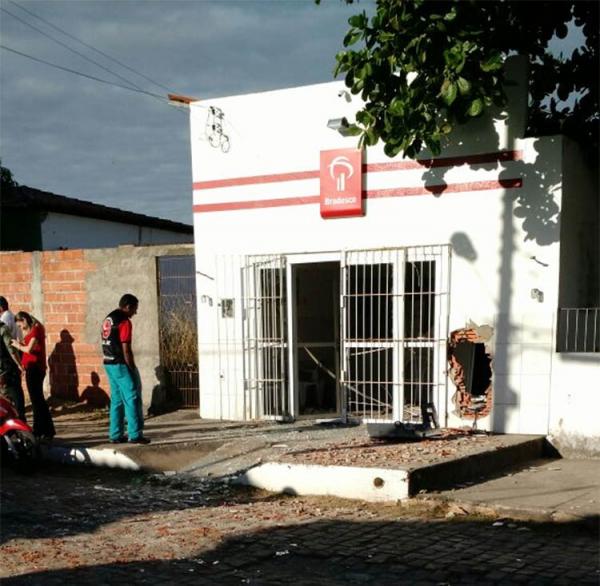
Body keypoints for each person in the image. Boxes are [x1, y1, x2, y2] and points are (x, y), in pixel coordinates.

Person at [101, 294, 149, 444]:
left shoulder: (108, 318)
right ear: (128, 306)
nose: (135, 312)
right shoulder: (124, 322)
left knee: (116, 400)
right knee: (132, 397)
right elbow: (126, 348)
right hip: (120, 364)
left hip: (108, 363)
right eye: (134, 309)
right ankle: (135, 435)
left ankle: (115, 434)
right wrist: (132, 367)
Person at [11, 312, 55, 440]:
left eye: (20, 325)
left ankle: (39, 429)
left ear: (24, 320)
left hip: (35, 369)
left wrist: (17, 345)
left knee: (37, 401)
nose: (20, 328)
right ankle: (46, 430)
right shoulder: (34, 329)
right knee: (38, 400)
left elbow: (29, 349)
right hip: (32, 368)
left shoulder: (35, 330)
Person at [0, 321, 26, 421]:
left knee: (4, 400)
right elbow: (11, 350)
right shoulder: (3, 329)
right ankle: (20, 423)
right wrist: (20, 365)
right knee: (16, 396)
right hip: (7, 369)